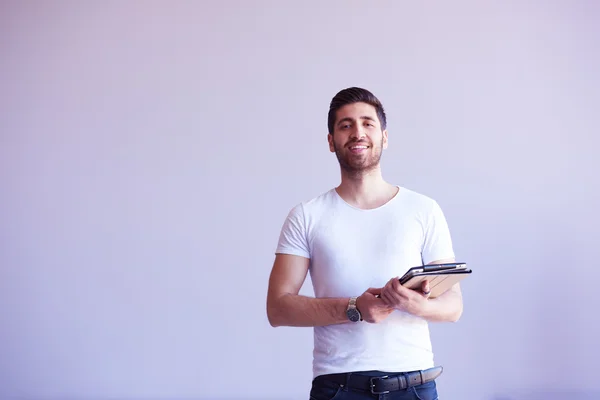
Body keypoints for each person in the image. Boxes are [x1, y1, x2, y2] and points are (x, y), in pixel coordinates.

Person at [266, 87, 463, 400]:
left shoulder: (424, 209)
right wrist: (354, 308)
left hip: (414, 385)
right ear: (331, 141)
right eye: (346, 125)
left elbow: (454, 306)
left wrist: (414, 304)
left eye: (367, 123)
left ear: (384, 137)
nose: (357, 132)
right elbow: (278, 309)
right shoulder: (306, 215)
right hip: (338, 388)